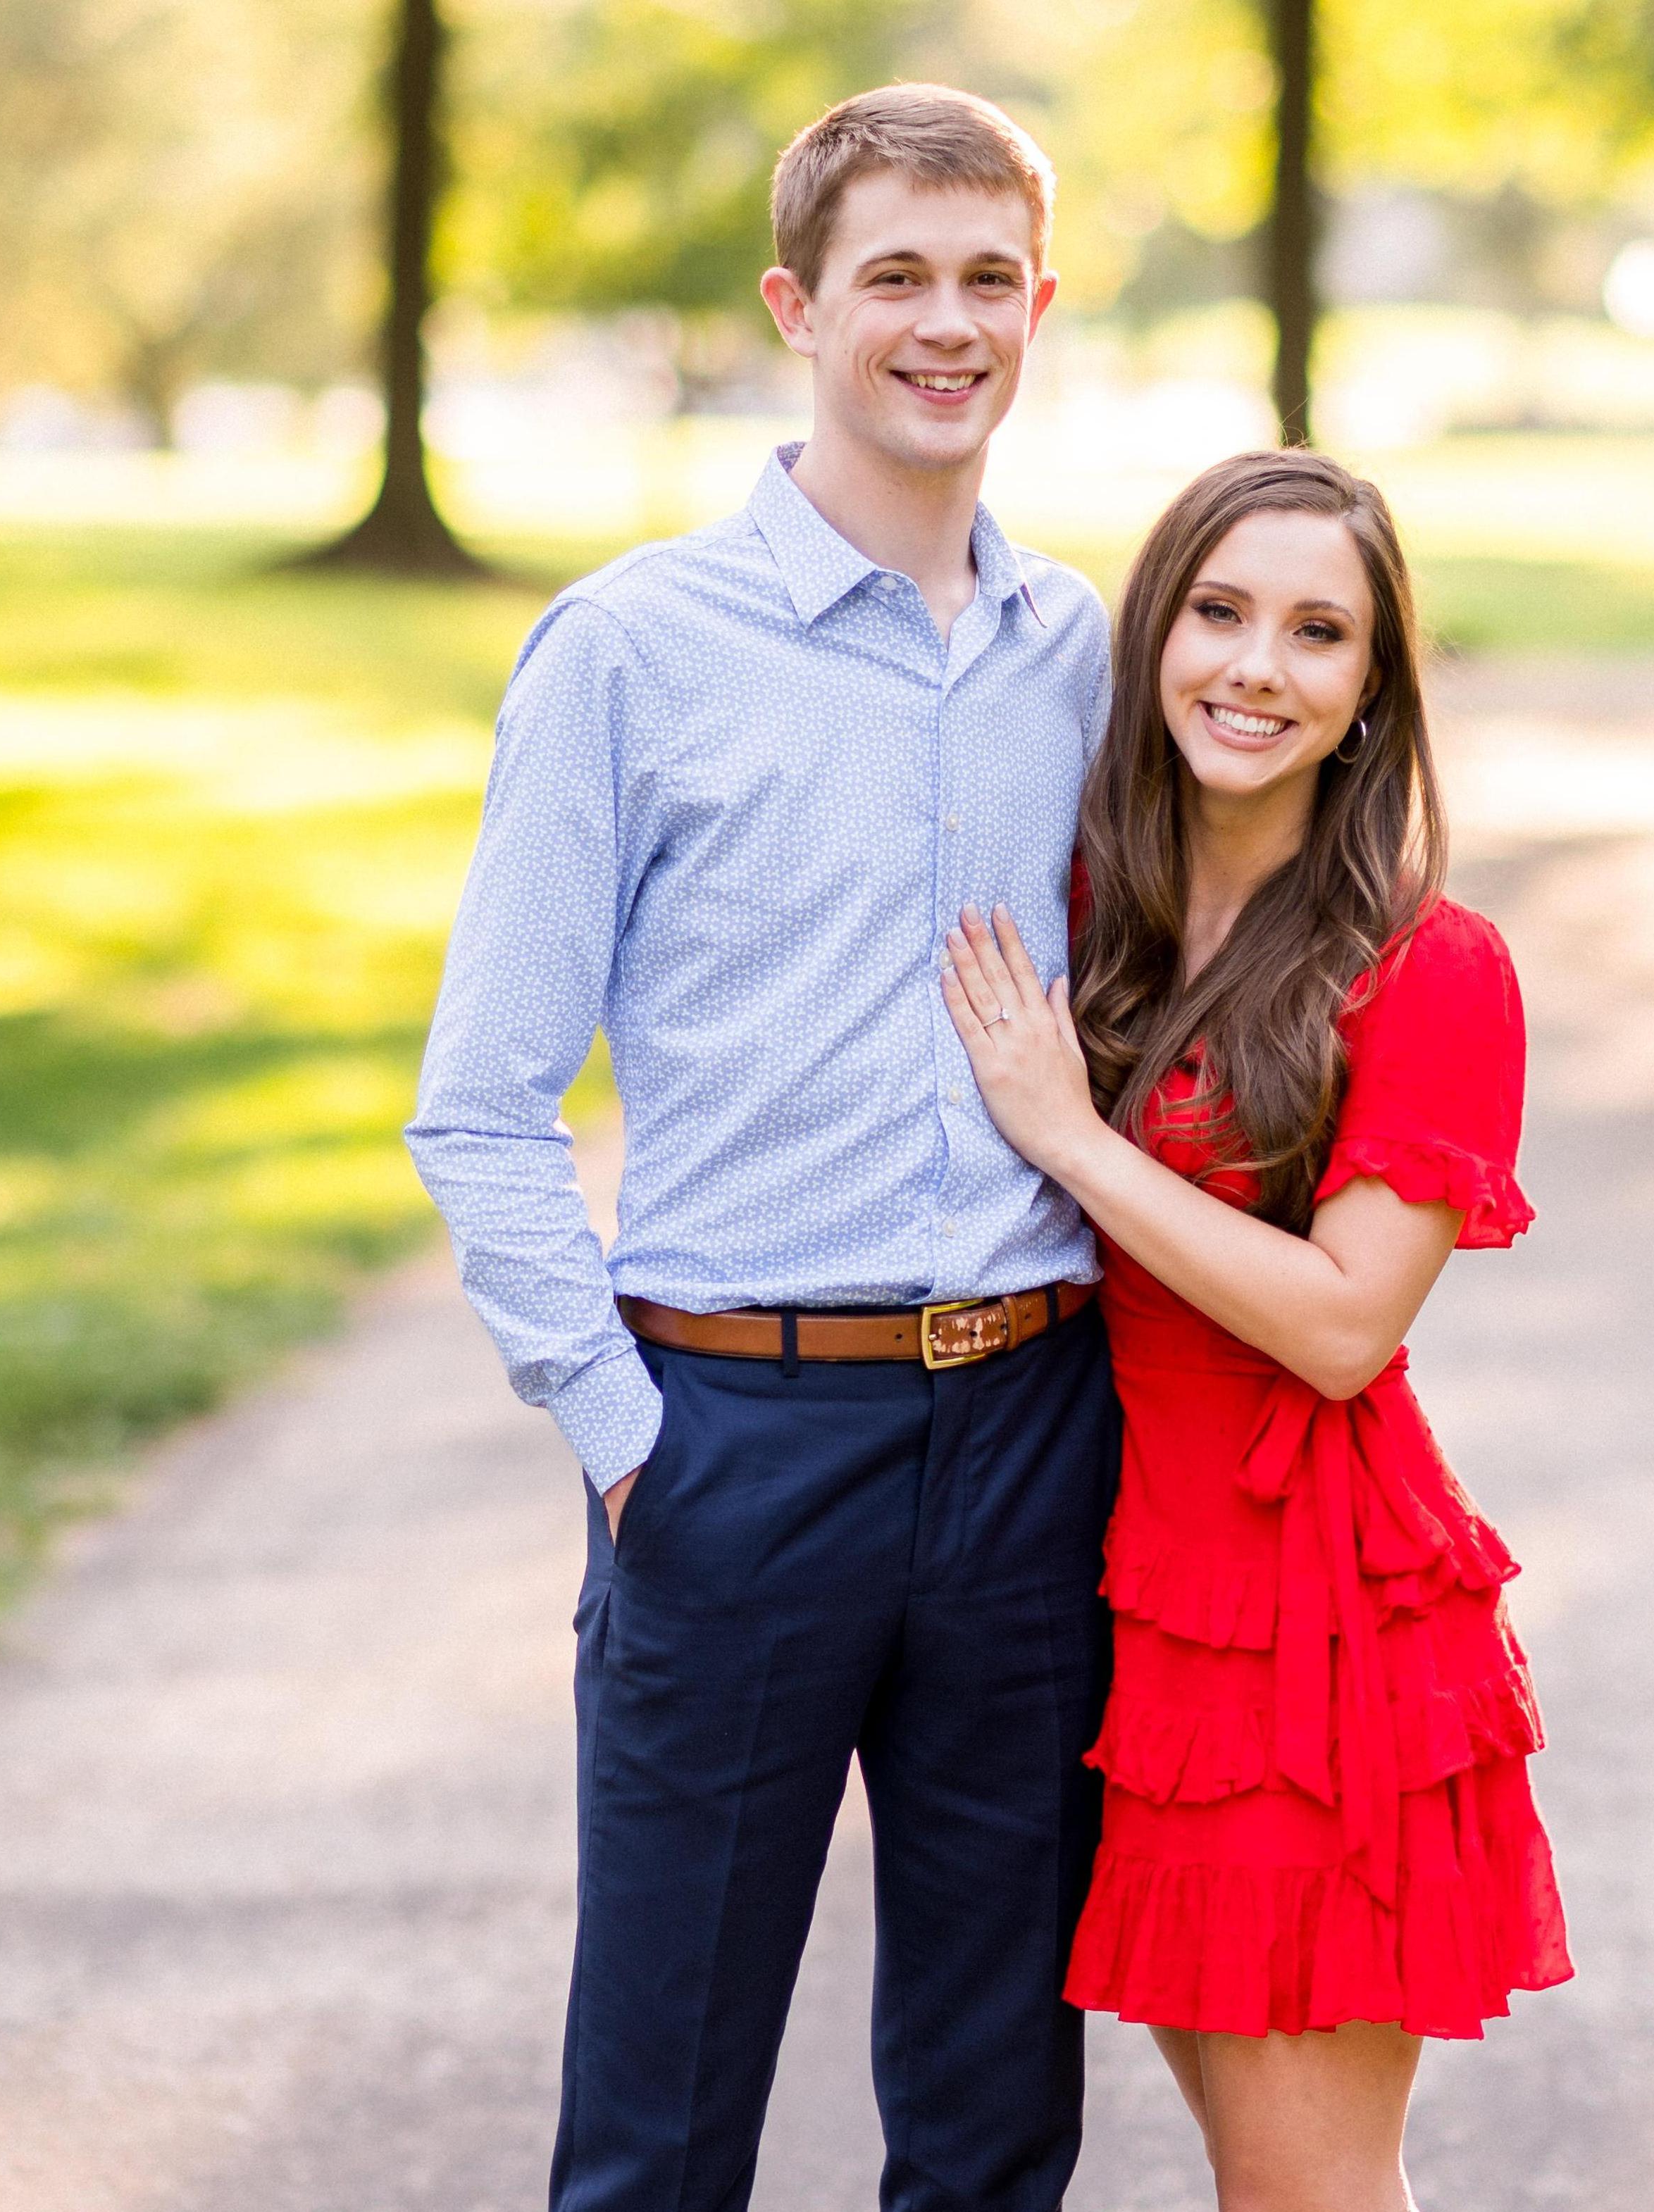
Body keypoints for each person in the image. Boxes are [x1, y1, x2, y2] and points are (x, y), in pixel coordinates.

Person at [405, 86, 1120, 2212]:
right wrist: (627, 1437)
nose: (944, 323)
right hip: (729, 1436)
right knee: (660, 2128)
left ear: (1040, 305)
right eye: (895, 276)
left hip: (1027, 1437)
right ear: (796, 304)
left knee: (997, 2114)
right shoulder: (631, 649)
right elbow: (480, 1094)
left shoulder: (1073, 648)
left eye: (987, 279)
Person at [939, 449, 1574, 2212]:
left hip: (1317, 1631)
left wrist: (1065, 1132)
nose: (1255, 667)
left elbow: (1346, 1325)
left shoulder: (1427, 965)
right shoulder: (1095, 913)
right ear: (1151, 634)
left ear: (1370, 694)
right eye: (1218, 612)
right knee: (1263, 2170)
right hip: (1140, 1611)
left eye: (1317, 632)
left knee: (1305, 2190)